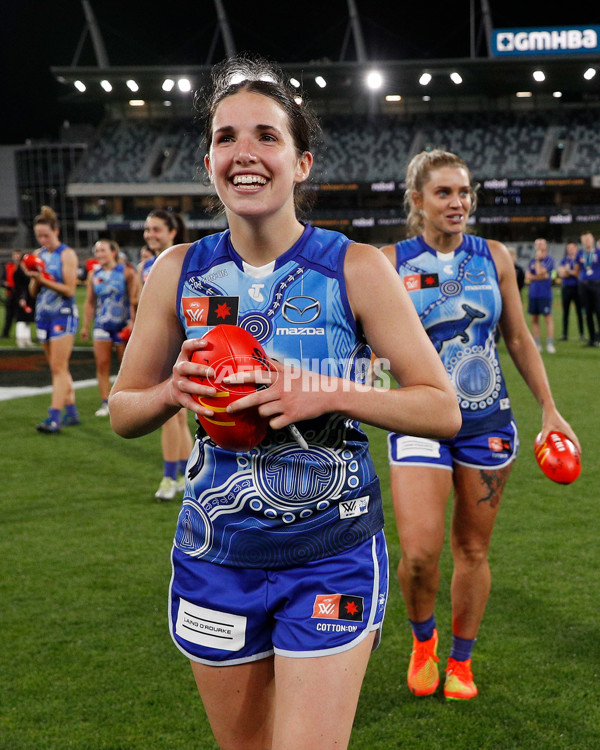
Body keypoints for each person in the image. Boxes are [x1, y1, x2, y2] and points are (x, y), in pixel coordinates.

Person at [109, 56, 461, 750]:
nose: (245, 153)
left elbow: (438, 406)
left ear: (300, 161)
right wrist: (173, 390)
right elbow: (123, 409)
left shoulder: (354, 267)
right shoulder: (177, 272)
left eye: (266, 136)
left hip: (330, 555)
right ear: (208, 159)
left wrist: (325, 389)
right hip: (217, 556)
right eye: (226, 137)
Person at [381, 149, 580, 701]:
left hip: (487, 421)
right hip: (420, 418)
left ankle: (461, 662)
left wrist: (549, 407)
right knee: (420, 553)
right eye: (444, 192)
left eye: (465, 192)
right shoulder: (390, 261)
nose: (458, 203)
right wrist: (368, 398)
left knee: (472, 551)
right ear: (417, 200)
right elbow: (368, 343)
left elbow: (516, 337)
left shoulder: (494, 257)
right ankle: (424, 644)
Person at [142, 210, 195, 501]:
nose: (150, 234)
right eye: (147, 229)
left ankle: (168, 478)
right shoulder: (148, 265)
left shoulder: (182, 264)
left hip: (175, 344)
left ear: (172, 232)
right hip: (158, 344)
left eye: (156, 229)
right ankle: (189, 477)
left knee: (171, 417)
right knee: (178, 417)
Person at [25, 206, 81, 433]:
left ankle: (54, 418)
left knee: (58, 368)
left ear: (56, 231)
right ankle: (72, 413)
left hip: (63, 315)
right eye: (39, 236)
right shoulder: (39, 255)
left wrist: (43, 279)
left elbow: (69, 290)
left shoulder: (66, 254)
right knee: (57, 368)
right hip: (43, 316)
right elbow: (32, 292)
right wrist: (35, 278)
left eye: (46, 235)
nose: (43, 239)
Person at [81, 239, 138, 416]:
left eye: (103, 250)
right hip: (101, 324)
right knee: (102, 364)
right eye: (97, 251)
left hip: (123, 324)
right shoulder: (93, 274)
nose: (99, 254)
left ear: (113, 252)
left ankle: (127, 400)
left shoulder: (126, 272)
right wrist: (85, 325)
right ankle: (105, 402)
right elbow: (90, 302)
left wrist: (133, 322)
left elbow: (133, 299)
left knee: (125, 365)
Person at [525, 237, 556, 354]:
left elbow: (540, 273)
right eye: (536, 244)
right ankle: (537, 343)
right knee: (534, 319)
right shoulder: (531, 261)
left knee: (548, 318)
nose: (538, 246)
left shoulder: (549, 260)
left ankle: (549, 343)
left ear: (545, 246)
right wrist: (538, 276)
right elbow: (528, 276)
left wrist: (538, 261)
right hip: (533, 293)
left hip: (545, 293)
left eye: (541, 244)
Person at [575, 231, 600, 347]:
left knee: (598, 311)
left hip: (596, 284)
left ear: (593, 240)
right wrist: (581, 279)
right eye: (585, 240)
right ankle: (591, 339)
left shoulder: (598, 253)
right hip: (584, 285)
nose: (587, 241)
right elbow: (577, 269)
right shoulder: (580, 254)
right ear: (582, 242)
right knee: (588, 312)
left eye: (589, 239)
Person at [557, 241, 584, 342]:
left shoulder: (579, 260)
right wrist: (572, 272)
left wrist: (569, 271)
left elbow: (579, 274)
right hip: (566, 288)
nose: (570, 250)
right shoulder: (564, 260)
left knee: (579, 312)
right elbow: (562, 274)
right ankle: (564, 334)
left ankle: (582, 334)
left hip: (577, 288)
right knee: (565, 312)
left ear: (576, 249)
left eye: (572, 248)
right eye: (569, 248)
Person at [12, 250, 36, 348]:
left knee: (27, 319)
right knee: (21, 319)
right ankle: (20, 339)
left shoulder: (28, 272)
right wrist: (21, 298)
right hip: (21, 297)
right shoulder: (17, 272)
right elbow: (18, 288)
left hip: (29, 297)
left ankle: (27, 339)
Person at [1, 250, 19, 338]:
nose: (17, 257)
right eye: (15, 255)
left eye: (18, 255)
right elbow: (2, 280)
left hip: (20, 294)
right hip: (10, 293)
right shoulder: (8, 266)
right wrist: (4, 283)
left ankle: (22, 335)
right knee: (8, 315)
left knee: (20, 316)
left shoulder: (24, 267)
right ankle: (5, 334)